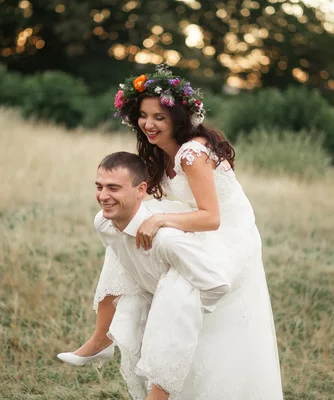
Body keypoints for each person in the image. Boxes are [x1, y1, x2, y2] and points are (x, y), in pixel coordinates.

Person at [62, 65, 283, 399]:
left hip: (228, 235)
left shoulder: (192, 153)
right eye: (143, 115)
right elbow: (144, 198)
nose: (149, 124)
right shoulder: (156, 152)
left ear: (178, 119)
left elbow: (211, 217)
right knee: (118, 224)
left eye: (159, 118)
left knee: (180, 285)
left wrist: (160, 220)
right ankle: (101, 335)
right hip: (199, 223)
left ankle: (158, 392)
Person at [60, 152, 234, 399]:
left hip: (193, 303)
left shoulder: (168, 241)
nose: (103, 196)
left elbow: (217, 285)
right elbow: (124, 257)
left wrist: (174, 308)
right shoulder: (103, 222)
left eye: (114, 188)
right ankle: (101, 340)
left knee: (179, 295)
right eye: (99, 187)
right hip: (151, 287)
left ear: (141, 190)